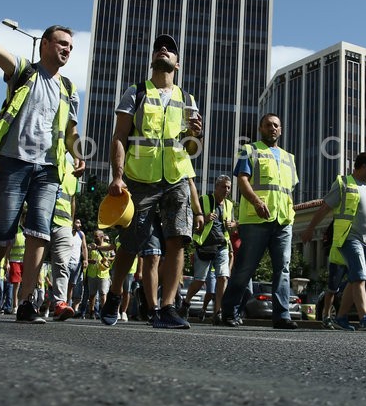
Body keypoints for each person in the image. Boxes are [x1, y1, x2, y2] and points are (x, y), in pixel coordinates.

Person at [0, 21, 82, 324]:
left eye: (70, 47)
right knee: (3, 232)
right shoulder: (23, 71)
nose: (67, 50)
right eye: (61, 43)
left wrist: (77, 153)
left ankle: (25, 303)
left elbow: (71, 132)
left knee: (39, 232)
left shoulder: (69, 88)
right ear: (44, 44)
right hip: (13, 161)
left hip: (48, 169)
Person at [100, 33, 204, 329]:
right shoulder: (136, 92)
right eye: (160, 47)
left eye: (170, 49)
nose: (164, 50)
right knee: (131, 243)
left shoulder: (187, 99)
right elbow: (119, 137)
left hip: (177, 177)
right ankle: (115, 293)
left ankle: (168, 307)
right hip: (139, 178)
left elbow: (192, 147)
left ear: (177, 64)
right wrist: (117, 177)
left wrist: (197, 133)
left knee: (177, 241)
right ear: (153, 59)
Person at [222, 113, 299, 330]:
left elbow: (289, 189)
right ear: (260, 128)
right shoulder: (249, 150)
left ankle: (281, 316)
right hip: (256, 220)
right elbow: (242, 180)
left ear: (280, 130)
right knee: (245, 269)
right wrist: (256, 202)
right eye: (268, 125)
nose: (272, 128)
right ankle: (229, 312)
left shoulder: (288, 158)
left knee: (282, 269)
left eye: (276, 125)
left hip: (283, 220)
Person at [302, 152, 366, 331]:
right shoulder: (343, 183)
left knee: (354, 279)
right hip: (349, 237)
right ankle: (364, 317)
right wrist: (310, 228)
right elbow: (325, 207)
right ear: (363, 166)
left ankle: (340, 317)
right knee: (359, 276)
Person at [181, 174, 235, 324]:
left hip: (222, 245)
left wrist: (233, 225)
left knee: (223, 277)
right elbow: (190, 221)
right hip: (205, 246)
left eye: (229, 187)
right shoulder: (204, 200)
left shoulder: (229, 205)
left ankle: (218, 313)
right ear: (216, 187)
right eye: (224, 186)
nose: (226, 190)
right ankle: (186, 303)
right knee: (199, 281)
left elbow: (233, 223)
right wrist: (203, 218)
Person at [47, 155, 83, 320]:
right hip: (42, 220)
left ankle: (60, 304)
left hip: (63, 224)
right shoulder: (45, 162)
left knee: (61, 263)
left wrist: (70, 225)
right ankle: (27, 301)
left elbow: (72, 200)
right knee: (35, 262)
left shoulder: (72, 171)